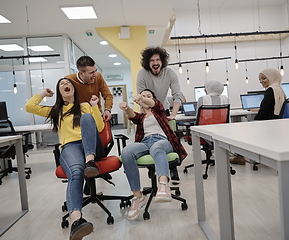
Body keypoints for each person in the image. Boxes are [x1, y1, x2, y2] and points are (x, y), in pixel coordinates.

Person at [25, 78, 105, 240]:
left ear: (74, 89)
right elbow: (29, 107)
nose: (65, 85)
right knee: (76, 173)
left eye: (68, 84)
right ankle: (76, 221)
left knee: (87, 118)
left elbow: (100, 127)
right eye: (61, 84)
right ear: (59, 92)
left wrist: (95, 107)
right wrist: (43, 94)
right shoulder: (57, 110)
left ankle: (90, 161)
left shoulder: (85, 106)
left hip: (92, 146)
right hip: (71, 147)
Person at [119, 89, 187, 221]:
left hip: (162, 141)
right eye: (142, 96)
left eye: (148, 96)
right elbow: (133, 115)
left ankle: (163, 185)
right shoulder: (142, 117)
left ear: (153, 99)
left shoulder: (159, 111)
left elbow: (155, 104)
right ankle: (137, 196)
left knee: (157, 147)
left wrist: (143, 98)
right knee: (126, 152)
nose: (145, 98)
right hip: (145, 142)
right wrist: (126, 107)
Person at [136, 46, 185, 184]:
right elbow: (141, 98)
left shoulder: (170, 73)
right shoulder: (142, 74)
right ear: (148, 62)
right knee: (151, 139)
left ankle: (173, 167)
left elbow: (177, 95)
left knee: (169, 138)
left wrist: (173, 115)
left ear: (162, 61)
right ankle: (156, 167)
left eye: (158, 59)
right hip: (147, 111)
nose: (155, 62)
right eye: (152, 60)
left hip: (164, 111)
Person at [230, 68, 287, 165]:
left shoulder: (270, 90)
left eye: (264, 78)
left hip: (267, 125)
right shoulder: (279, 89)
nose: (261, 81)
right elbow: (273, 107)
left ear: (271, 77)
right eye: (260, 79)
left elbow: (264, 111)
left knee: (239, 129)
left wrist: (254, 121)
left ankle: (240, 157)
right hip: (277, 124)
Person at [65, 56, 113, 122]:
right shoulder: (69, 80)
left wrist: (107, 110)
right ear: (81, 73)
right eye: (91, 72)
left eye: (95, 71)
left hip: (96, 116)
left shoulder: (98, 77)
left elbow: (108, 95)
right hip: (78, 118)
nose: (95, 75)